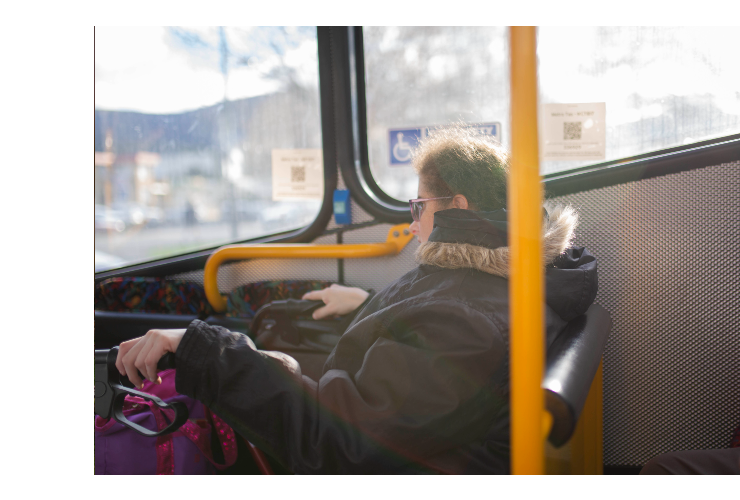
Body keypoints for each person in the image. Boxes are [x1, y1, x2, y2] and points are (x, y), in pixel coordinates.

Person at [114, 126, 598, 474]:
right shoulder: (498, 281)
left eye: (418, 207)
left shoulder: (464, 321)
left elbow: (338, 446)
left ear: (459, 208)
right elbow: (422, 355)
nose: (411, 223)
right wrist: (366, 302)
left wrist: (209, 353)